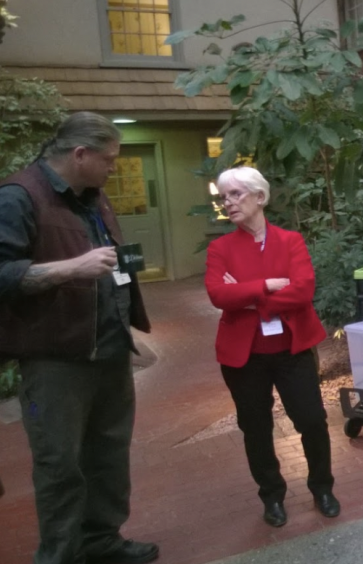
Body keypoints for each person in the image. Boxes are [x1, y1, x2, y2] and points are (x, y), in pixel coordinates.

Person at [0, 112, 159, 564]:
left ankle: (102, 541)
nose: (114, 168)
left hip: (108, 348)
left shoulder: (94, 196)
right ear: (79, 154)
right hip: (55, 359)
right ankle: (60, 555)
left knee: (107, 457)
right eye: (108, 160)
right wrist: (73, 268)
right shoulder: (18, 197)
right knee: (60, 466)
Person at [204, 167, 339, 528]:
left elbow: (304, 290)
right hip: (243, 356)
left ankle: (322, 488)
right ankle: (272, 496)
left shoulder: (290, 241)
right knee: (256, 426)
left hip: (292, 349)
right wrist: (268, 285)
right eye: (223, 197)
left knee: (311, 419)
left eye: (235, 194)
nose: (227, 202)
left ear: (259, 197)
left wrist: (248, 296)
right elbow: (218, 294)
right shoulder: (220, 248)